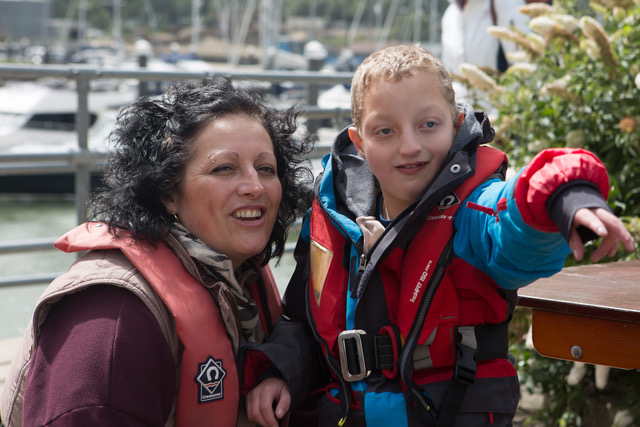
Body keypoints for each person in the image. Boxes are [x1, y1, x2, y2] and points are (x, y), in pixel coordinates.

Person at [244, 44, 635, 426]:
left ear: (457, 123)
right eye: (385, 131)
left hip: (447, 408)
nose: (410, 146)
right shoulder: (333, 209)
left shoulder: (474, 208)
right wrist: (281, 372)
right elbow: (301, 316)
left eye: (428, 125)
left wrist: (562, 198)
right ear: (360, 142)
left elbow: (512, 226)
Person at [0, 76, 315, 427]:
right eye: (224, 168)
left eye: (266, 169)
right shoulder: (113, 320)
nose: (254, 186)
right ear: (167, 191)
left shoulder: (238, 280)